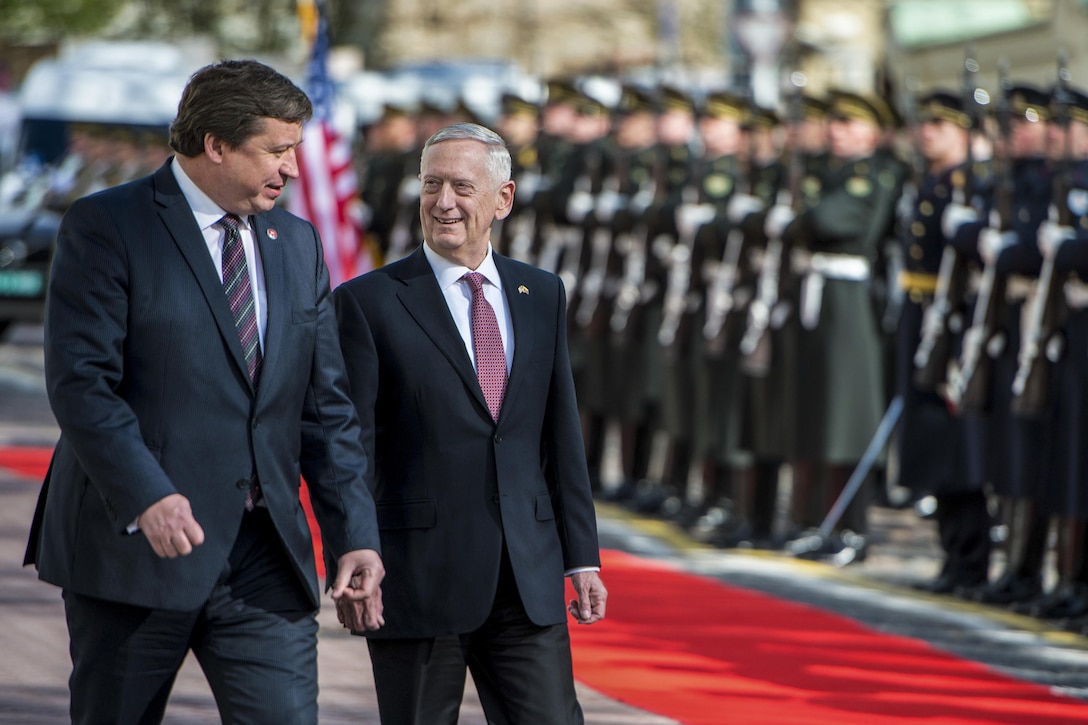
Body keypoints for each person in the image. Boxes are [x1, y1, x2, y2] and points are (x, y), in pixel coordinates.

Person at [23, 59, 385, 724]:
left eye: (296, 151)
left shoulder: (297, 244)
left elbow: (324, 409)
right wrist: (147, 493)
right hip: (137, 552)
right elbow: (81, 383)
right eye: (276, 151)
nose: (292, 169)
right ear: (215, 144)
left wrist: (353, 533)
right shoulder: (108, 226)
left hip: (263, 558)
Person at [335, 122, 607, 724]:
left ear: (502, 199)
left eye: (461, 186)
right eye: (431, 185)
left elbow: (558, 436)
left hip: (525, 579)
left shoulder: (542, 293)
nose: (444, 202)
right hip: (419, 578)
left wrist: (580, 556)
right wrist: (354, 545)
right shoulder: (369, 302)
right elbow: (351, 447)